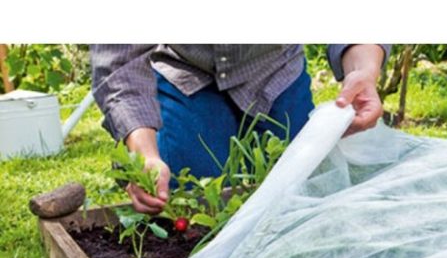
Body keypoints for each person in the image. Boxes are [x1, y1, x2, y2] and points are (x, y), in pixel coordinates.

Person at [90, 44, 390, 214]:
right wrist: (144, 152)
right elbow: (120, 58)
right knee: (185, 204)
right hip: (185, 71)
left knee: (304, 201)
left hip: (274, 71)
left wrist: (363, 69)